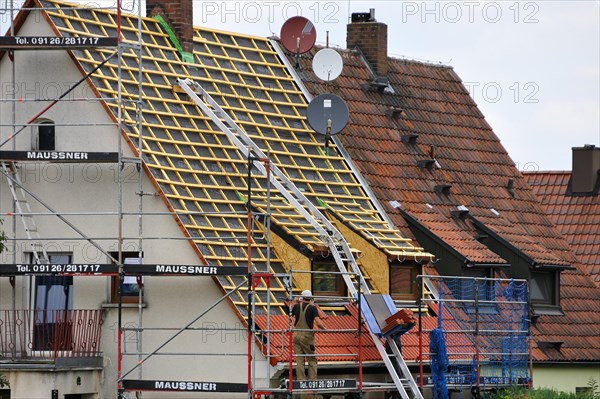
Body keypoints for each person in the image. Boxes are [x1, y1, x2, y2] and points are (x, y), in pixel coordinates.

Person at [292, 289, 326, 380]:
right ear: (310, 298)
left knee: (299, 359)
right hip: (307, 336)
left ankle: (301, 381)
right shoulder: (312, 308)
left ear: (302, 297)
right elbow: (318, 323)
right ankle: (312, 381)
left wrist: (296, 300)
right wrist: (324, 329)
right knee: (312, 359)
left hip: (296, 334)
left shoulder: (296, 306)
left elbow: (290, 317)